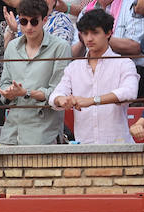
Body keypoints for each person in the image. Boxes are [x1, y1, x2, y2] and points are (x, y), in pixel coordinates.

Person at [52, 8, 139, 143]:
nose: (89, 38)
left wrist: (92, 100)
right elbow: (55, 95)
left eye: (95, 33)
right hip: (85, 145)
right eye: (85, 33)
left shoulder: (124, 63)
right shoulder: (74, 67)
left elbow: (130, 92)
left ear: (109, 33)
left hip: (118, 145)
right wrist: (62, 100)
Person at [0, 0, 72, 144]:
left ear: (45, 20)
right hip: (11, 132)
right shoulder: (12, 46)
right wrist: (8, 92)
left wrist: (26, 92)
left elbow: (58, 92)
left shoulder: (60, 47)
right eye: (24, 22)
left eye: (34, 21)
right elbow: (4, 83)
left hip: (44, 134)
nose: (29, 27)